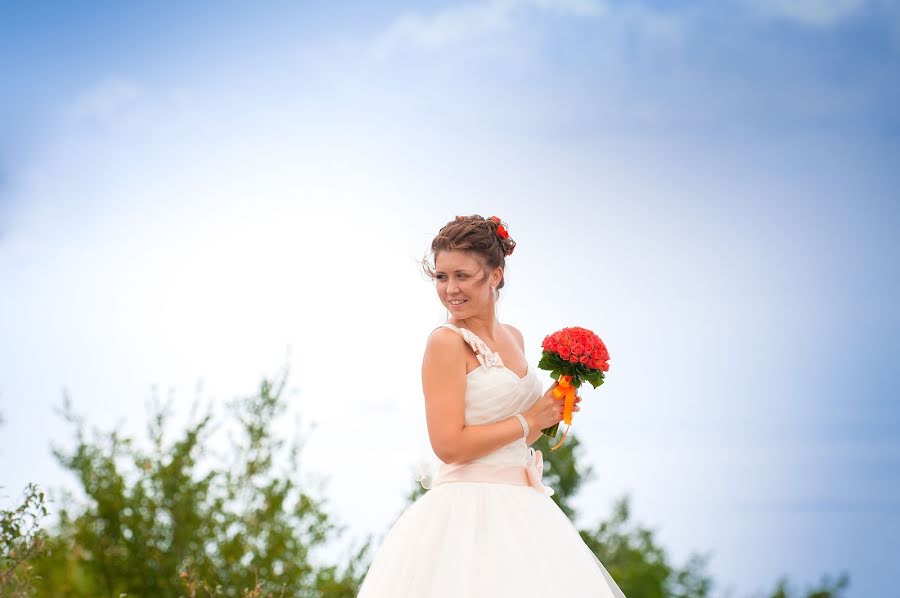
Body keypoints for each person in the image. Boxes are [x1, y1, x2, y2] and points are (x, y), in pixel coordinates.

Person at [356, 215, 627, 597]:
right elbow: (448, 445)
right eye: (441, 276)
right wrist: (528, 419)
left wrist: (549, 410)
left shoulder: (514, 337)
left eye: (462, 276)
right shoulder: (446, 343)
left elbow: (522, 433)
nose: (450, 289)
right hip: (466, 512)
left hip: (526, 508)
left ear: (495, 275)